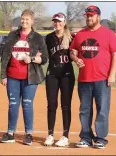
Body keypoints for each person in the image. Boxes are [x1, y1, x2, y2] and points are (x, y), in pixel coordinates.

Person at [70, 5, 116, 149]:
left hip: (102, 79)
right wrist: (75, 58)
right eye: (87, 15)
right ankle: (85, 137)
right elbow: (73, 51)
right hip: (84, 79)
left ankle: (100, 138)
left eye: (91, 15)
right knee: (84, 110)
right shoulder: (80, 34)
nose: (89, 18)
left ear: (98, 16)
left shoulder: (109, 34)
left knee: (102, 110)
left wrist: (112, 75)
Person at [0, 9, 48, 145]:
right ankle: (10, 133)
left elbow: (44, 59)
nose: (24, 21)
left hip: (30, 78)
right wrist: (3, 75)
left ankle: (28, 134)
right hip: (12, 77)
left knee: (27, 104)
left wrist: (31, 58)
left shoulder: (38, 37)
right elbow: (5, 57)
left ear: (32, 21)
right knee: (13, 104)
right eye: (22, 19)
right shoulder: (12, 35)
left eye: (27, 19)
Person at [44, 12, 75, 147]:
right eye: (55, 21)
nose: (57, 23)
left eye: (59, 21)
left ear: (64, 22)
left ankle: (65, 136)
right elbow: (44, 54)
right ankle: (50, 134)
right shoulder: (48, 38)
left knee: (66, 105)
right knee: (51, 104)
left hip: (67, 74)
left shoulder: (71, 37)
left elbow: (77, 53)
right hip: (52, 74)